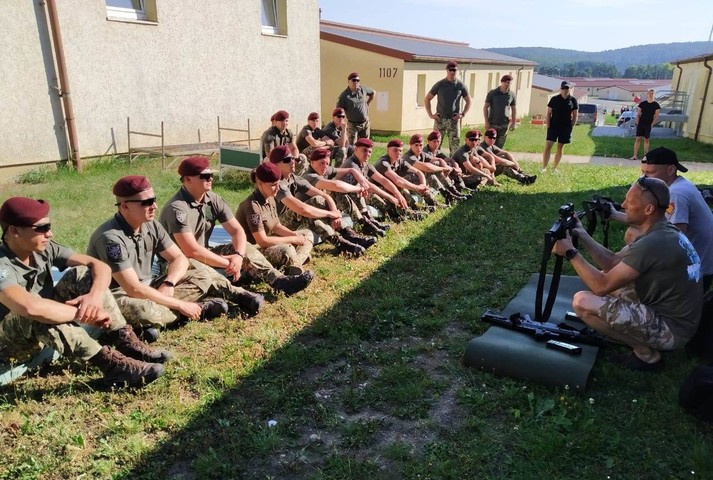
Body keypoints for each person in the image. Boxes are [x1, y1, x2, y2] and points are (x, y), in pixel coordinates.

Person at [0, 197, 169, 388]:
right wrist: (85, 314)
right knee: (38, 314)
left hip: (43, 324)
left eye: (49, 226)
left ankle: (124, 340)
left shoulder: (42, 249)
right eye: (42, 228)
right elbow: (29, 308)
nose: (49, 233)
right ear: (14, 231)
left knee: (84, 274)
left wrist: (94, 299)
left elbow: (99, 266)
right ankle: (112, 366)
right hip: (8, 345)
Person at [552, 176, 703, 371]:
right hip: (675, 315)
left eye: (629, 202)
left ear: (649, 209)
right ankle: (640, 339)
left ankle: (646, 354)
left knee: (583, 302)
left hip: (673, 330)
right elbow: (613, 263)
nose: (623, 205)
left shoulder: (653, 243)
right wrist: (581, 233)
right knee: (601, 278)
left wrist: (570, 253)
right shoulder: (661, 230)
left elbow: (601, 286)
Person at [88, 176, 264, 334]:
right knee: (141, 310)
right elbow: (133, 289)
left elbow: (179, 258)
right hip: (118, 294)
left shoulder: (151, 225)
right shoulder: (110, 239)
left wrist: (169, 282)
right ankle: (195, 310)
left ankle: (158, 321)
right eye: (146, 202)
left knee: (201, 275)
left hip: (150, 286)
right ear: (125, 206)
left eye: (154, 200)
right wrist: (181, 304)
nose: (154, 206)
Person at [158, 156, 314, 296]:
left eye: (211, 175)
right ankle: (239, 295)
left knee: (245, 246)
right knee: (201, 270)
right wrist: (229, 263)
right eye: (204, 176)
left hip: (205, 252)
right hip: (178, 262)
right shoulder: (177, 208)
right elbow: (191, 250)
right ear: (187, 179)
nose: (210, 179)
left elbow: (237, 231)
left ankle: (279, 281)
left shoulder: (212, 199)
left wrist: (238, 256)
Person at [609, 147, 713, 291]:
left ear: (670, 170)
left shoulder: (676, 193)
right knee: (636, 232)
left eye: (650, 173)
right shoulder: (677, 185)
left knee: (633, 234)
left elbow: (675, 239)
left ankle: (627, 270)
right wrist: (613, 214)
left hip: (695, 273)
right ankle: (622, 268)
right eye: (643, 172)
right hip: (697, 263)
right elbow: (651, 222)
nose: (643, 178)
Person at [267, 145, 372, 257]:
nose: (293, 162)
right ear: (276, 165)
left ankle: (346, 236)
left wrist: (335, 214)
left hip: (290, 222)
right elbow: (302, 209)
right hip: (274, 229)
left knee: (315, 207)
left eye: (293, 158)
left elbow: (325, 196)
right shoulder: (277, 184)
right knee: (308, 209)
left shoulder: (293, 178)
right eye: (287, 160)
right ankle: (343, 240)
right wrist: (330, 214)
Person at [235, 162, 315, 287]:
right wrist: (292, 239)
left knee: (307, 234)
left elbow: (276, 226)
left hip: (267, 243)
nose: (278, 188)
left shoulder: (270, 198)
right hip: (253, 251)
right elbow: (262, 241)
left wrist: (295, 235)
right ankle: (293, 264)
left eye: (278, 183)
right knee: (286, 249)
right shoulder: (252, 206)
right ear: (259, 183)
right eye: (273, 185)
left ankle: (294, 265)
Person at [302, 147, 387, 239]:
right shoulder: (310, 176)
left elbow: (351, 170)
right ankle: (349, 232)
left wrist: (361, 181)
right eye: (322, 163)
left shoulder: (323, 170)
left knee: (347, 189)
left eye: (327, 163)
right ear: (312, 162)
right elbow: (337, 186)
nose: (325, 166)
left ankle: (365, 221)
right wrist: (359, 189)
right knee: (335, 192)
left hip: (322, 211)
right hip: (305, 216)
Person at [340, 138, 424, 223]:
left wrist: (397, 194)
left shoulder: (365, 164)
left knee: (392, 193)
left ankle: (404, 213)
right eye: (364, 150)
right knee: (377, 197)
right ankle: (395, 216)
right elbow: (369, 185)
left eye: (369, 152)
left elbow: (383, 180)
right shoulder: (352, 164)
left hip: (361, 193)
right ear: (356, 149)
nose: (367, 154)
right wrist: (390, 197)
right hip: (344, 197)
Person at [401, 134, 468, 205]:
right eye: (416, 145)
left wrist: (443, 164)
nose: (418, 148)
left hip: (420, 180)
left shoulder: (421, 154)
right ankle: (434, 201)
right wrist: (443, 168)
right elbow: (426, 167)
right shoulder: (408, 157)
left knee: (435, 169)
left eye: (421, 145)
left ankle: (450, 192)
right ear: (410, 145)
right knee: (431, 171)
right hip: (408, 184)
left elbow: (437, 160)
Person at [424, 61, 471, 155]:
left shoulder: (460, 85)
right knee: (435, 144)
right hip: (440, 119)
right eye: (450, 70)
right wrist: (431, 115)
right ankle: (434, 161)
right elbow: (427, 98)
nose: (452, 72)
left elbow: (468, 101)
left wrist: (462, 114)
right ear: (447, 70)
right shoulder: (440, 84)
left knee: (455, 146)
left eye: (454, 70)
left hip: (454, 120)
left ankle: (454, 163)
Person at [542, 81, 578, 173]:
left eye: (567, 88)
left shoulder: (573, 100)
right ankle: (544, 167)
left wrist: (571, 127)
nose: (565, 90)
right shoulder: (554, 99)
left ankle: (554, 168)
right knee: (548, 146)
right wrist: (548, 126)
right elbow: (548, 113)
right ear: (561, 89)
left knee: (560, 147)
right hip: (553, 126)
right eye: (563, 88)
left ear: (569, 89)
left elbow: (575, 116)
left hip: (565, 128)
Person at [423, 130, 473, 194]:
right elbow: (433, 165)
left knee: (449, 163)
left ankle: (460, 185)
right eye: (434, 141)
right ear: (428, 142)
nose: (436, 144)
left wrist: (456, 167)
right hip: (427, 175)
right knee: (440, 165)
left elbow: (450, 159)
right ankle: (451, 187)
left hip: (437, 173)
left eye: (438, 141)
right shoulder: (425, 151)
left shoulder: (437, 151)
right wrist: (450, 168)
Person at [336, 72, 375, 145]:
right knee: (352, 146)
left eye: (358, 80)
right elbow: (339, 111)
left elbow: (373, 92)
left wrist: (368, 102)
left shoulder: (363, 89)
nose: (356, 82)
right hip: (353, 125)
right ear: (348, 82)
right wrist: (341, 123)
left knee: (365, 144)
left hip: (365, 123)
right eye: (354, 80)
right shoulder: (344, 96)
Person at [483, 74, 517, 148]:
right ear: (502, 82)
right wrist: (486, 122)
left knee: (500, 146)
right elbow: (485, 107)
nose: (508, 84)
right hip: (493, 123)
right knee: (489, 145)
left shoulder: (512, 94)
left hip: (504, 124)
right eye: (506, 82)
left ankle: (497, 155)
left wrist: (513, 122)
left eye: (509, 82)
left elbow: (514, 109)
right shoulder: (492, 93)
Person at [630, 89, 661, 161]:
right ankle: (635, 156)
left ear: (654, 95)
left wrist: (652, 124)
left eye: (652, 93)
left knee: (646, 139)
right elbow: (638, 114)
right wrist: (638, 123)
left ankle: (645, 157)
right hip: (641, 123)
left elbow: (656, 116)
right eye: (650, 93)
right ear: (647, 94)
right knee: (638, 138)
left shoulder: (656, 105)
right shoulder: (642, 104)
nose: (651, 95)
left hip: (648, 124)